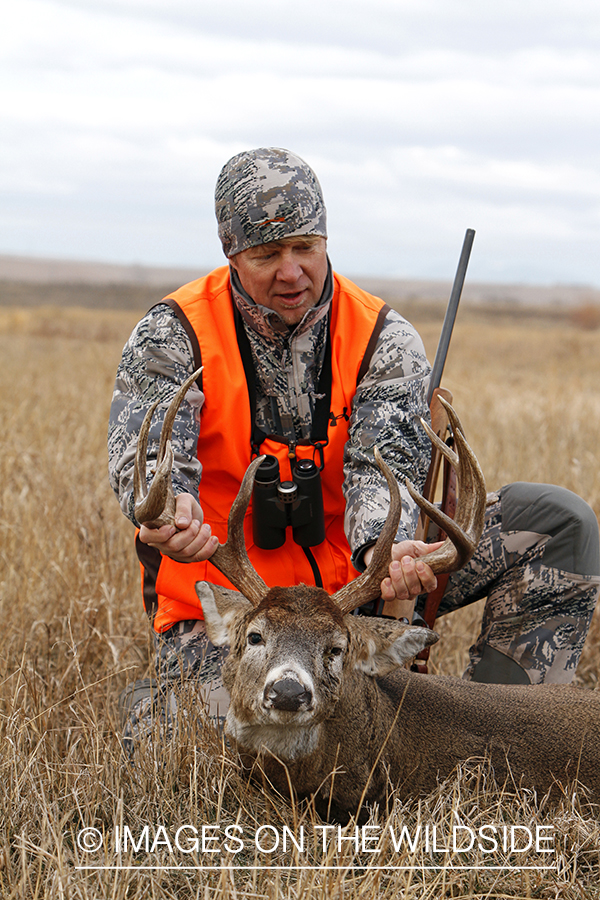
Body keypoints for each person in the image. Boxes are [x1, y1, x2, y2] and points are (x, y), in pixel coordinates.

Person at [108, 147, 600, 750]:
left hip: (353, 595)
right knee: (194, 750)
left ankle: (506, 742)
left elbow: (382, 467)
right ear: (231, 254)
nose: (291, 272)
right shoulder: (172, 334)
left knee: (556, 522)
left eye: (306, 247)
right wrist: (168, 515)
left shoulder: (382, 338)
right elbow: (146, 467)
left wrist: (385, 555)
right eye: (267, 255)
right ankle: (165, 708)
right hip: (237, 609)